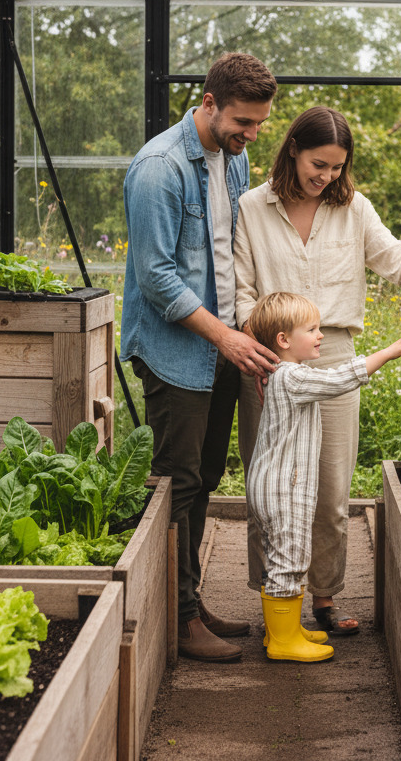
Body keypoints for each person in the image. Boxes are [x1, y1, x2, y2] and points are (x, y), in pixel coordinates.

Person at [235, 106, 401, 635]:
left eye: (337, 168)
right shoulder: (251, 207)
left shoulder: (353, 209)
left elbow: (399, 260)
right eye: (318, 164)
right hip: (268, 360)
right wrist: (264, 345)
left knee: (331, 491)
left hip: (332, 352)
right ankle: (275, 606)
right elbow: (244, 291)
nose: (326, 177)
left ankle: (323, 600)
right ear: (292, 148)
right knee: (268, 488)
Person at [121, 52, 281, 663]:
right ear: (208, 102)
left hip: (220, 343)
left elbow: (227, 251)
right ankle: (177, 617)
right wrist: (226, 338)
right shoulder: (160, 168)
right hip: (175, 349)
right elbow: (157, 279)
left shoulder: (229, 158)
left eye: (260, 124)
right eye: (243, 122)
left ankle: (189, 598)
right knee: (177, 483)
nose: (251, 135)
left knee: (207, 476)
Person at [247, 291, 401, 662]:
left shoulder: (283, 375)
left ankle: (286, 630)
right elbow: (341, 379)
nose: (320, 335)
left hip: (273, 485)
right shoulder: (292, 378)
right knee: (289, 561)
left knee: (281, 560)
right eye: (312, 329)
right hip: (284, 489)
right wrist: (386, 353)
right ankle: (282, 642)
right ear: (284, 340)